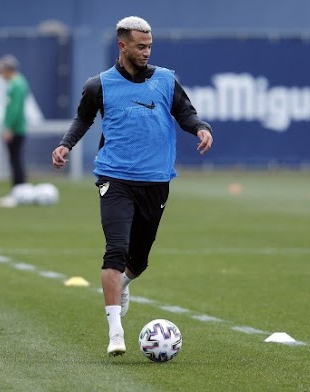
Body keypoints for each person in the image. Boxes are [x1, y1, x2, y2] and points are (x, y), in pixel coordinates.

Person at [51, 16, 213, 355]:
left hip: (156, 180)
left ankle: (125, 281)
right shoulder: (99, 85)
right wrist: (67, 144)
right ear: (122, 45)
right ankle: (115, 332)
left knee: (138, 261)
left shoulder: (166, 80)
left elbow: (185, 112)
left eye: (149, 46)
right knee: (115, 249)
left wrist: (200, 127)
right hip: (115, 177)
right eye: (140, 46)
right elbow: (84, 118)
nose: (146, 52)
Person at [0, 54, 29, 206]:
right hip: (17, 128)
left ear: (8, 70)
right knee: (15, 160)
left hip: (16, 129)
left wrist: (8, 127)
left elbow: (14, 109)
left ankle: (18, 192)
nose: (0, 74)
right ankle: (19, 191)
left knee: (15, 160)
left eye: (1, 70)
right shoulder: (18, 83)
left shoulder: (16, 85)